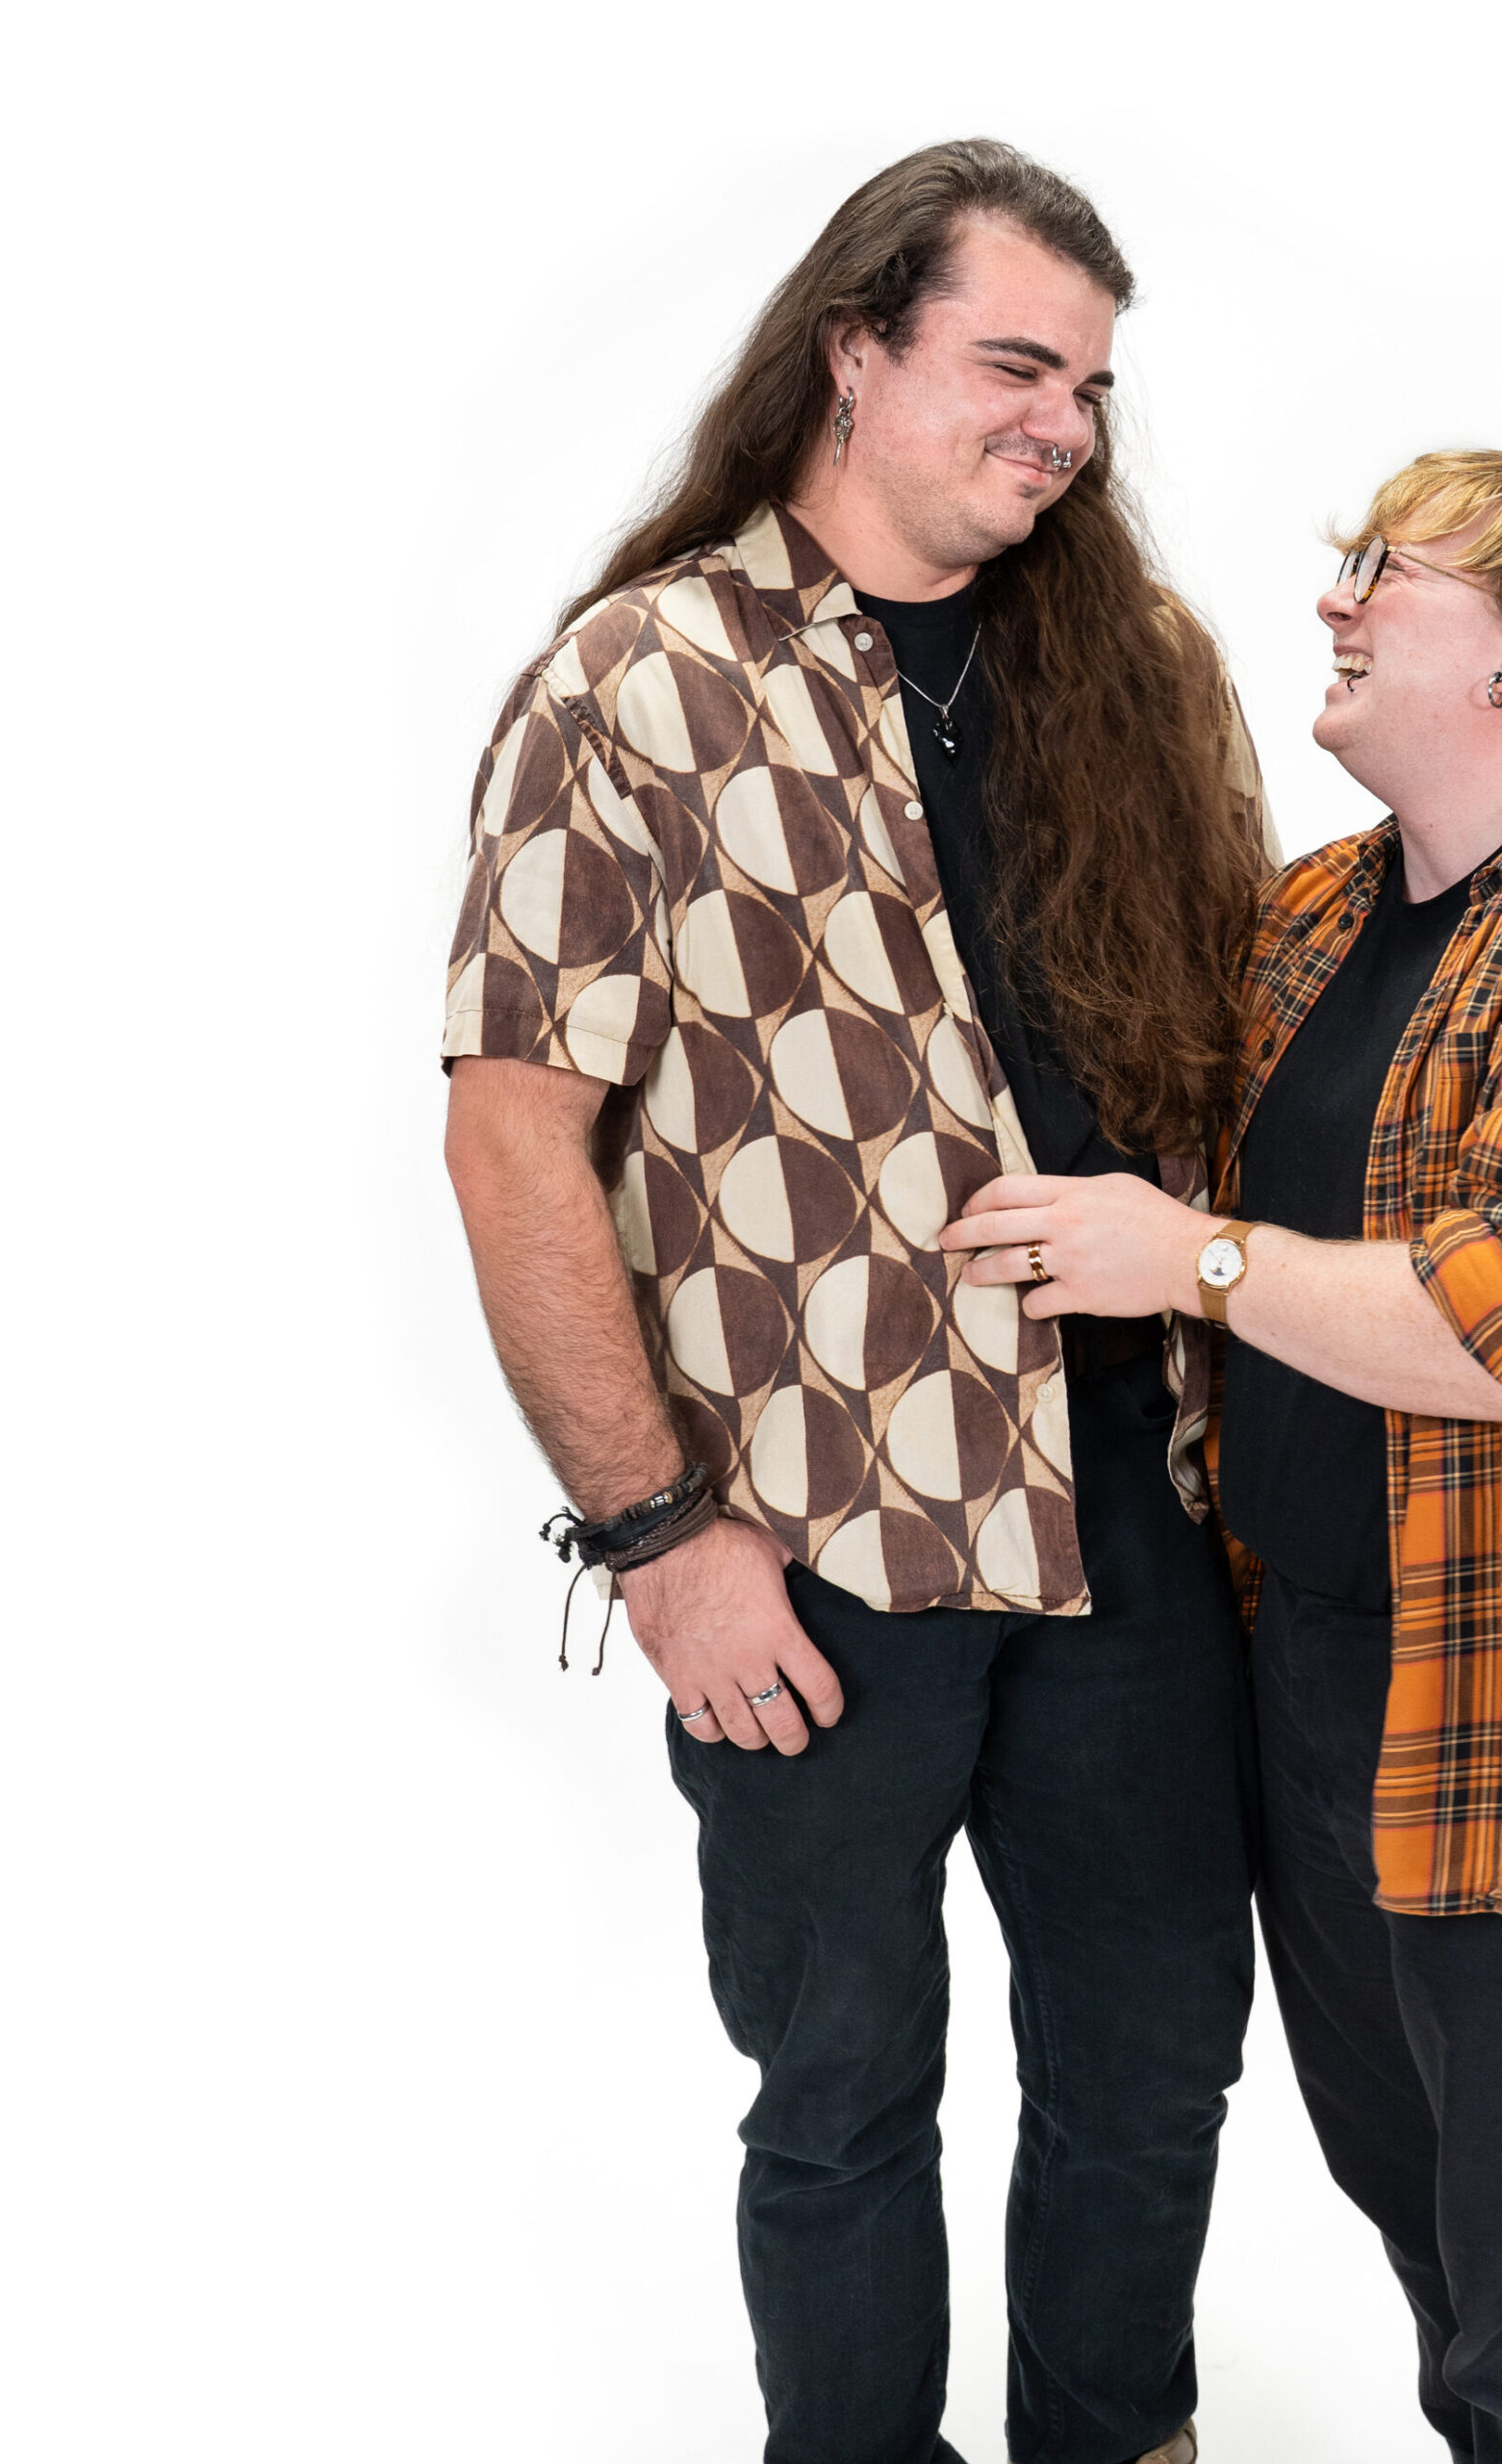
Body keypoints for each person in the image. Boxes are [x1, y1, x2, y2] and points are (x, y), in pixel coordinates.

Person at [441, 140, 1269, 2464]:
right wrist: (655, 1534)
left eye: (1090, 387)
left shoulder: (1139, 666)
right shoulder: (635, 680)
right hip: (807, 1540)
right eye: (1015, 365)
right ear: (853, 352)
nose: (1065, 429)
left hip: (1131, 1504)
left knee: (1147, 2063)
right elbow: (516, 1133)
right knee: (840, 2092)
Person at [941, 449, 1502, 2463]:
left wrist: (1193, 1253)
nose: (1332, 603)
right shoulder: (1321, 915)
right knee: (1446, 2259)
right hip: (1327, 1681)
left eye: (1384, 575)